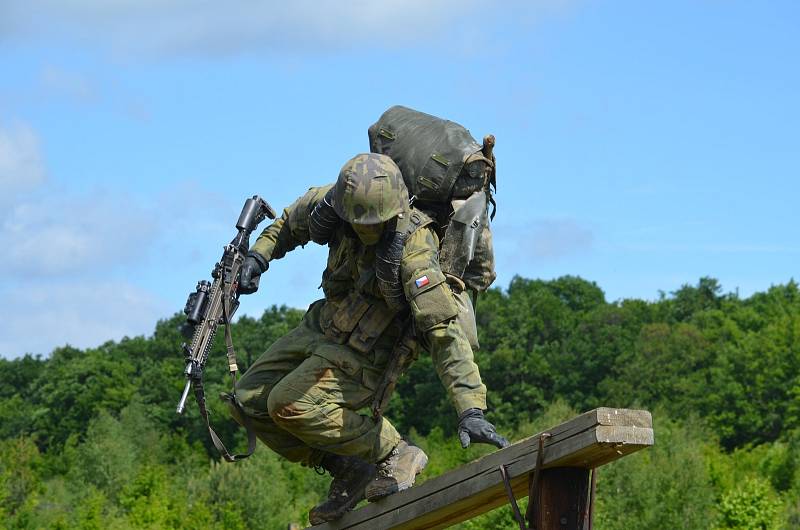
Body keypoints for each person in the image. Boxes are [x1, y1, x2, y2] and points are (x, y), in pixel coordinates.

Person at [229, 153, 508, 524]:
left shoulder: (414, 248)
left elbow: (444, 330)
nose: (364, 229)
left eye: (373, 223)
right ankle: (347, 468)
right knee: (247, 400)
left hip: (370, 349)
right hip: (323, 326)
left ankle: (396, 452)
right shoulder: (334, 203)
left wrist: (470, 407)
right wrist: (258, 258)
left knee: (288, 404)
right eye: (357, 221)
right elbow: (287, 224)